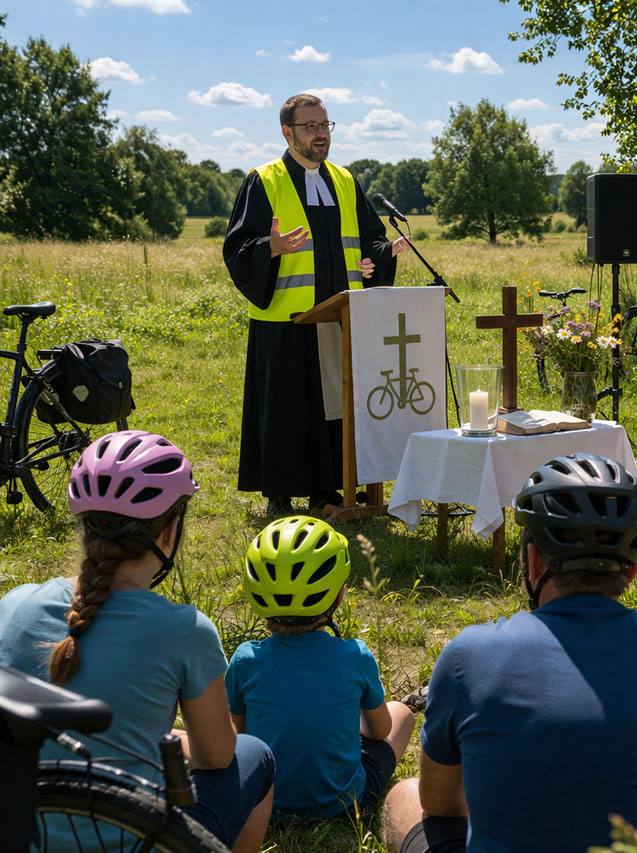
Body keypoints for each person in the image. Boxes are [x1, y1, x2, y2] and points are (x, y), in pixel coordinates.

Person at [380, 453, 637, 853]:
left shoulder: (468, 655)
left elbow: (440, 803)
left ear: (534, 563)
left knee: (405, 796)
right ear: (632, 571)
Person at [0, 430, 274, 853]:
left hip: (17, 832)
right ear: (169, 532)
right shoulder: (186, 629)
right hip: (136, 838)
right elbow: (216, 756)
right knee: (254, 752)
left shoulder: (13, 604)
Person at [224, 92, 411, 515]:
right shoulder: (264, 180)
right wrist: (267, 248)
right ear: (287, 132)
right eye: (311, 127)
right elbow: (236, 247)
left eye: (325, 125)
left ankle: (329, 488)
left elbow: (369, 237)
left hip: (340, 317)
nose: (320, 135)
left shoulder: (344, 181)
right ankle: (280, 492)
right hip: (285, 321)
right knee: (288, 410)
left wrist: (380, 256)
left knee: (336, 408)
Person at [226, 515, 416, 822]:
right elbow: (380, 731)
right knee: (402, 714)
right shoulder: (355, 655)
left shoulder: (245, 658)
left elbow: (242, 733)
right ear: (339, 596)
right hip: (344, 801)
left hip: (263, 804)